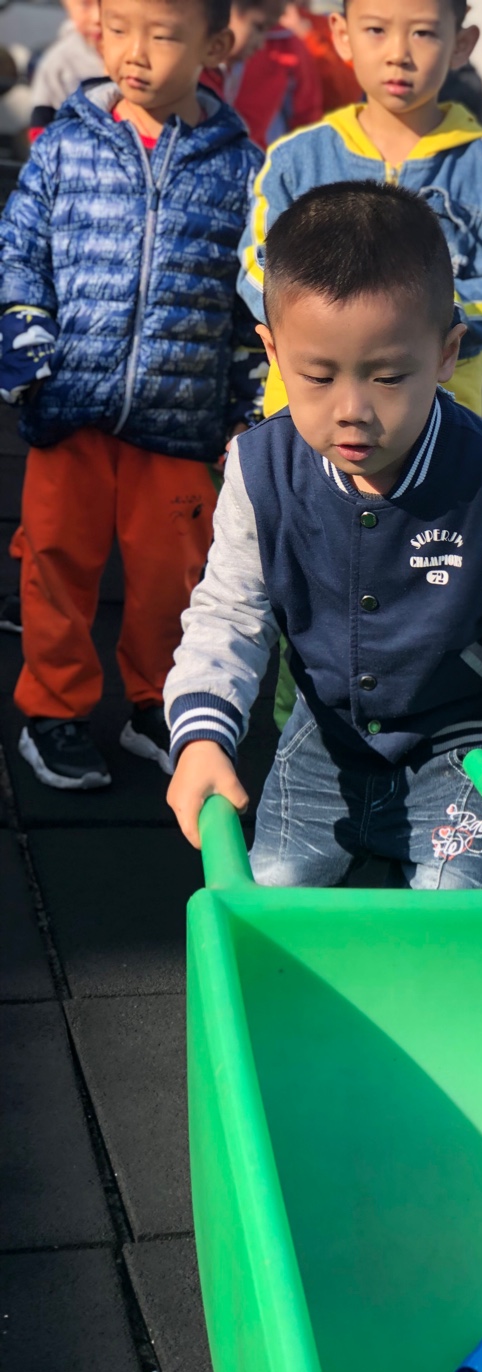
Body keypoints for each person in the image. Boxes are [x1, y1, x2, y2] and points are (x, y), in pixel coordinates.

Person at [164, 182, 482, 889]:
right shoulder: (260, 470)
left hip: (460, 750)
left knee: (456, 922)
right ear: (272, 350)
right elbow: (229, 612)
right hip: (325, 742)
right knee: (274, 902)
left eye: (389, 376)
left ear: (447, 353)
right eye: (317, 376)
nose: (353, 409)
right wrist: (203, 734)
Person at [0, 0, 264, 790]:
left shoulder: (241, 167)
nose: (134, 52)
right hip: (70, 405)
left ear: (216, 45)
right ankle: (53, 711)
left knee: (174, 579)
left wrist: (248, 406)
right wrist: (24, 337)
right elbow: (19, 249)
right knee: (55, 564)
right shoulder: (67, 142)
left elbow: (251, 299)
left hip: (182, 419)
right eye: (117, 28)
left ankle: (157, 703)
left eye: (162, 34)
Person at [237, 0, 482, 423]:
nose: (399, 53)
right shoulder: (297, 159)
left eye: (423, 33)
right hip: (306, 418)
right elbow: (255, 267)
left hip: (439, 417)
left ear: (461, 44)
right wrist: (326, 319)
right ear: (343, 35)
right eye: (377, 30)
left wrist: (424, 317)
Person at [222, 0, 322, 151]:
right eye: (259, 27)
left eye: (266, 29)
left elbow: (307, 117)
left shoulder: (289, 46)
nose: (261, 43)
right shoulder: (195, 56)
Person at [28, 0, 104, 137]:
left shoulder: (136, 54)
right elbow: (41, 134)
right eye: (85, 4)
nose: (97, 17)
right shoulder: (57, 64)